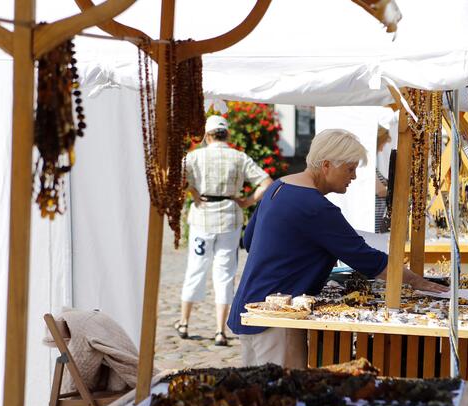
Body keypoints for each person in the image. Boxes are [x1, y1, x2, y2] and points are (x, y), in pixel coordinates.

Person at [228, 129, 446, 368]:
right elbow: (367, 259)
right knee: (283, 396)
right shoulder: (315, 206)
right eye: (349, 169)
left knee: (259, 394)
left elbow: (249, 240)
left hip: (251, 307)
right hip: (276, 317)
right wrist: (418, 282)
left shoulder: (278, 186)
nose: (353, 177)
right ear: (326, 165)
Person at [179, 115, 274, 346]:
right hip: (230, 218)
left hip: (202, 217)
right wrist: (248, 201)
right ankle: (220, 330)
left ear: (207, 135)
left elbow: (177, 177)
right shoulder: (239, 157)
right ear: (227, 134)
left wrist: (192, 192)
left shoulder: (194, 156)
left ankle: (184, 322)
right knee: (225, 274)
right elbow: (267, 182)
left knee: (196, 268)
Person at [374, 125, 391, 233]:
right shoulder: (368, 166)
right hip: (374, 218)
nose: (382, 149)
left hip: (377, 218)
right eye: (382, 144)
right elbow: (380, 190)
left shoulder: (371, 165)